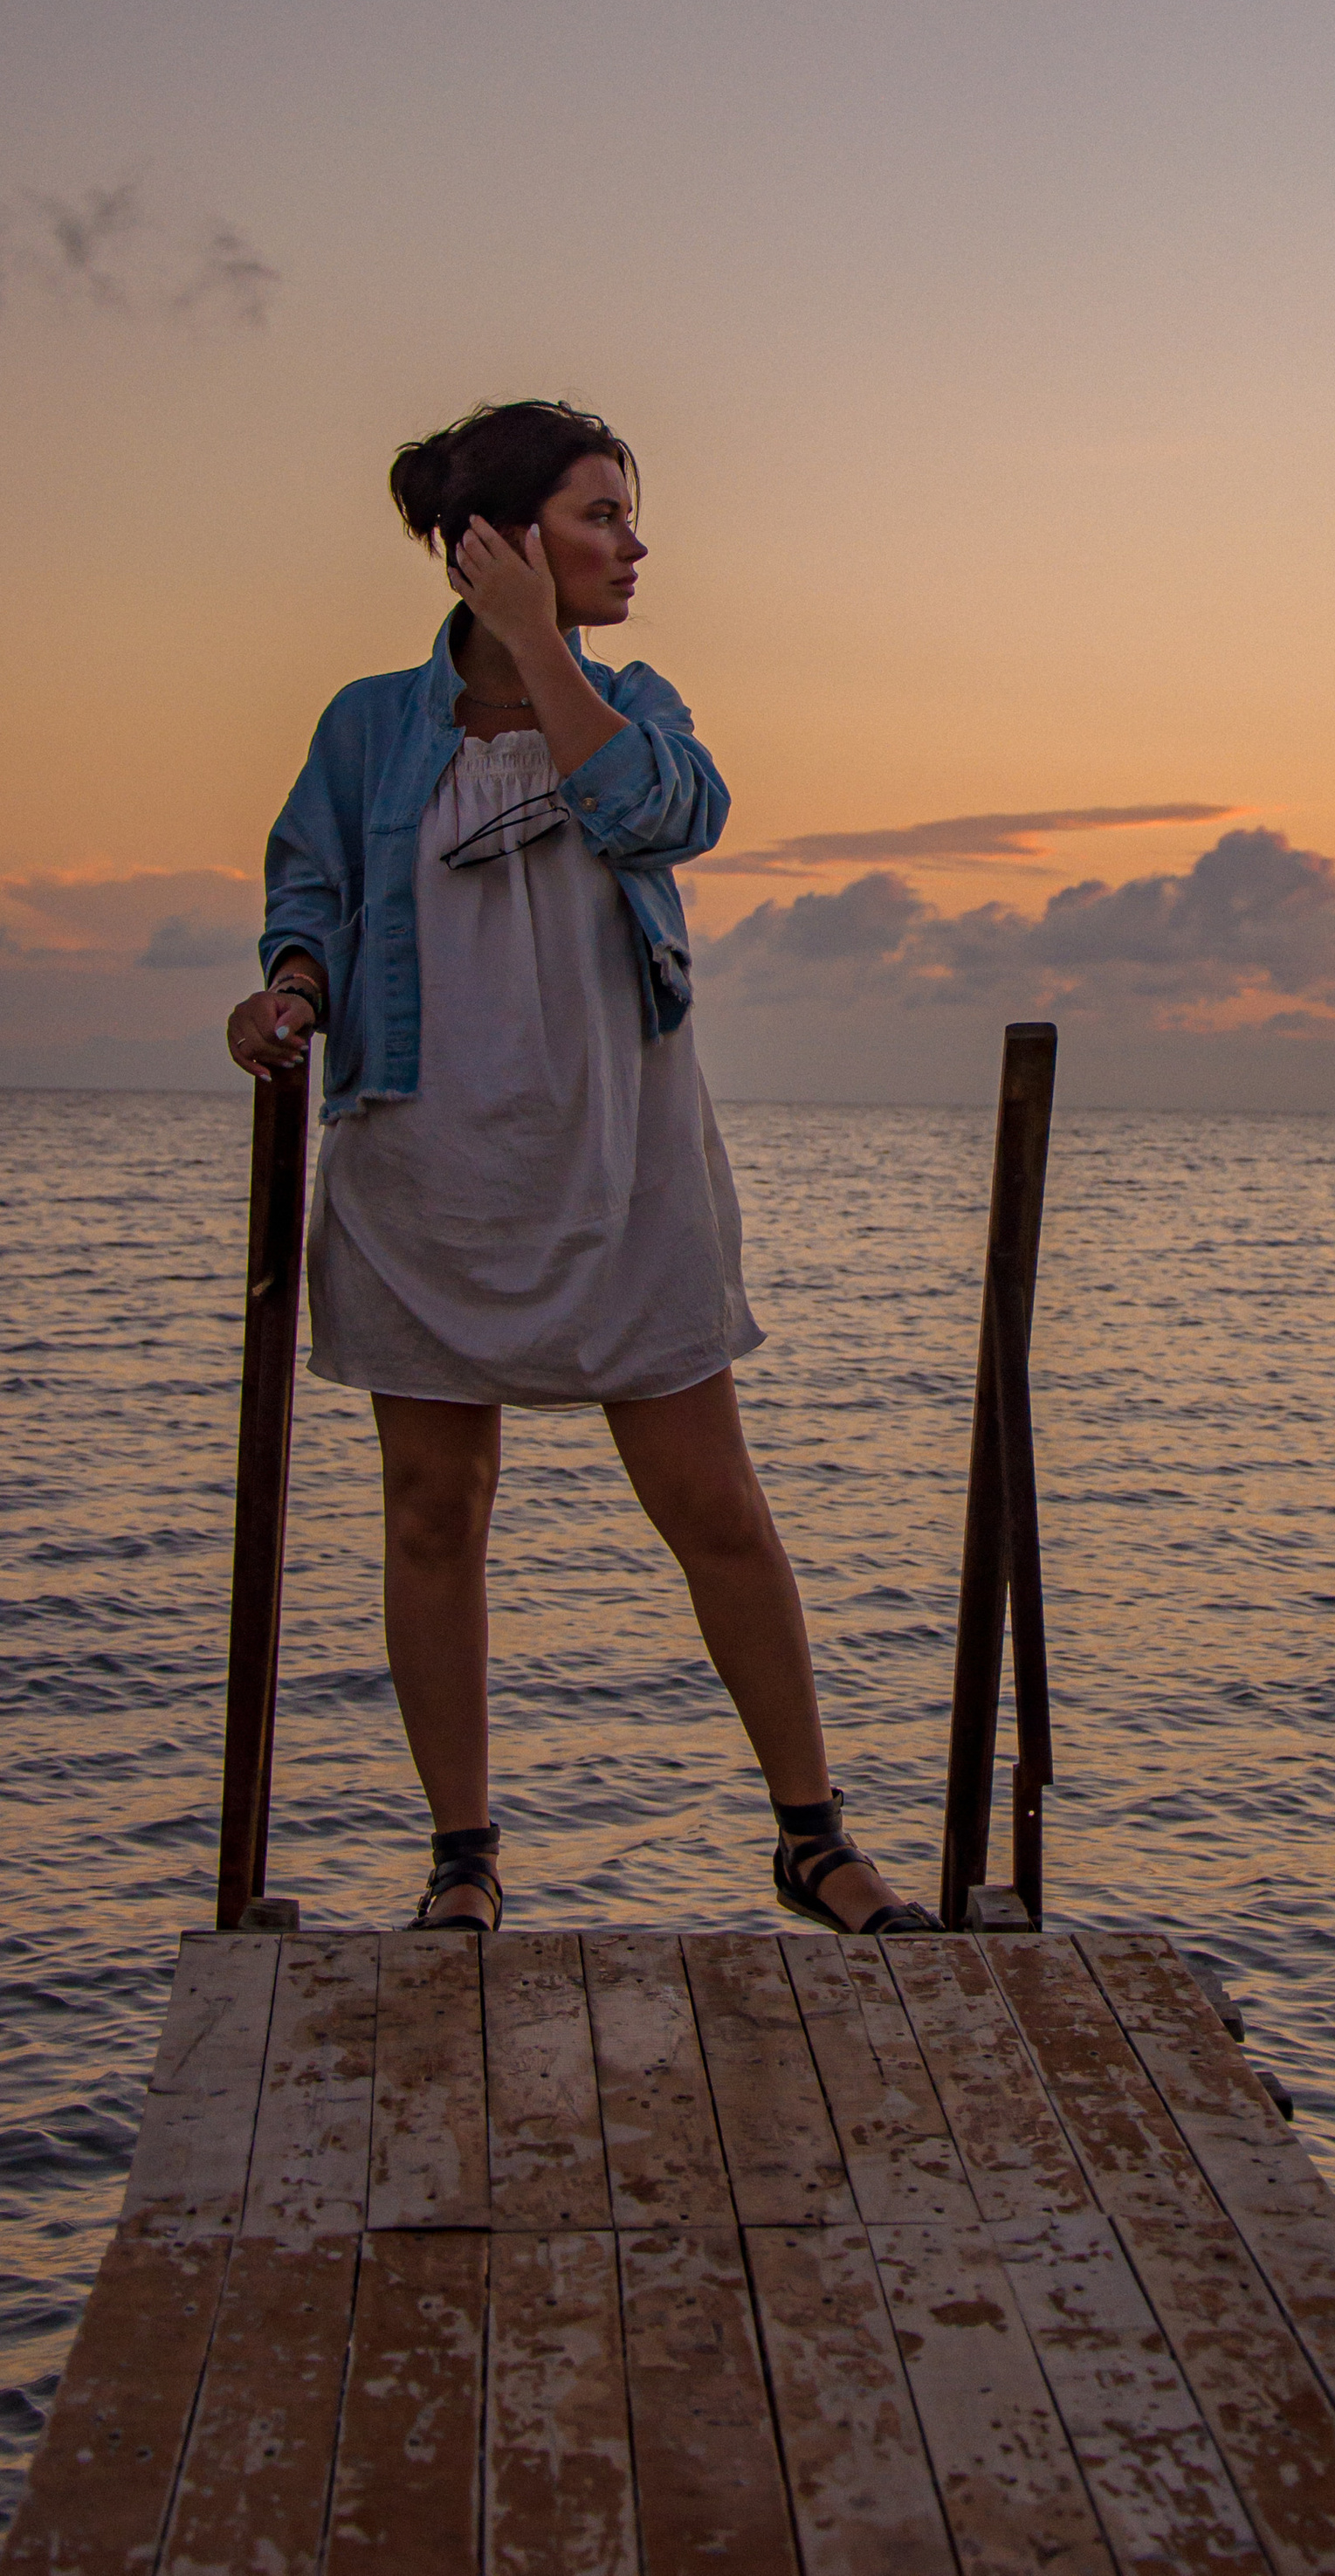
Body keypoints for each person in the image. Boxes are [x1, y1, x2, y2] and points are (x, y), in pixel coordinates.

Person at [225, 398, 934, 1937]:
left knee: (716, 1505)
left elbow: (670, 811)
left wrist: (543, 648)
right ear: (496, 537)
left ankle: (812, 1837)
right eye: (601, 513)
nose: (636, 543)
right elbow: (316, 889)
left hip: (623, 1167)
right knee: (433, 1509)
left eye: (628, 514)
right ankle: (463, 1860)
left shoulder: (635, 704)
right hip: (429, 1168)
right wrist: (289, 987)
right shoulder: (365, 727)